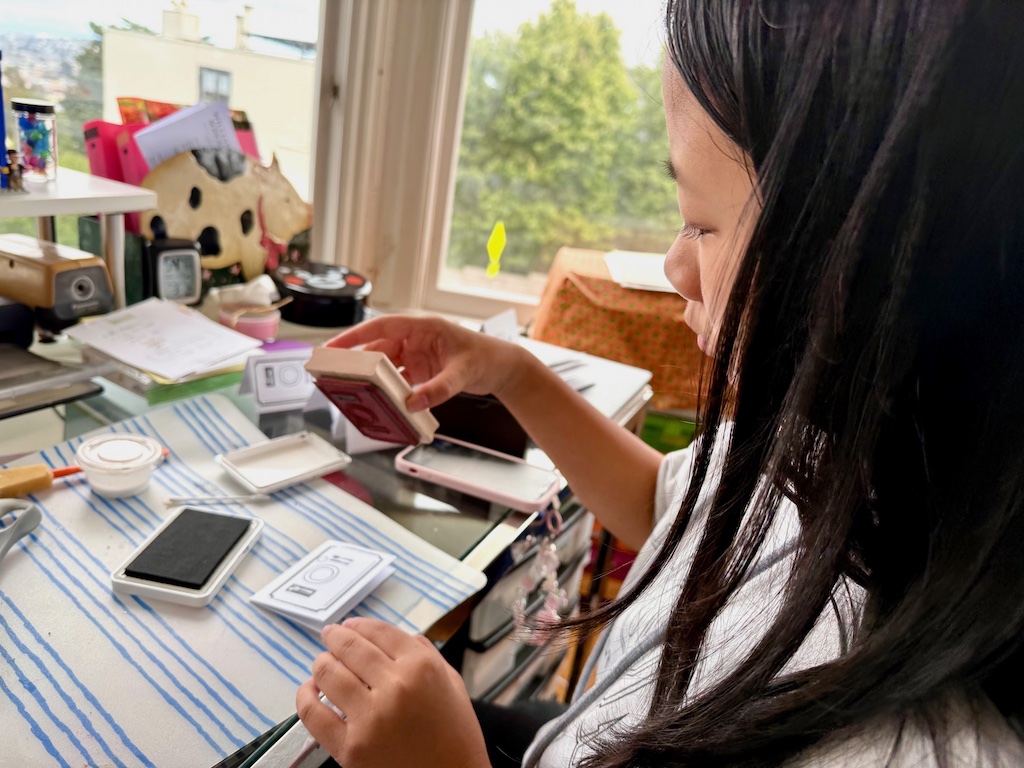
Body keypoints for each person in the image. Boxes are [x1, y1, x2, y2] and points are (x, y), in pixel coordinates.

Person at [295, 0, 1024, 765]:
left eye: (700, 223)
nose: (677, 268)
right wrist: (510, 371)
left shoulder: (912, 744)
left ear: (875, 259)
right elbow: (660, 507)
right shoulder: (837, 440)